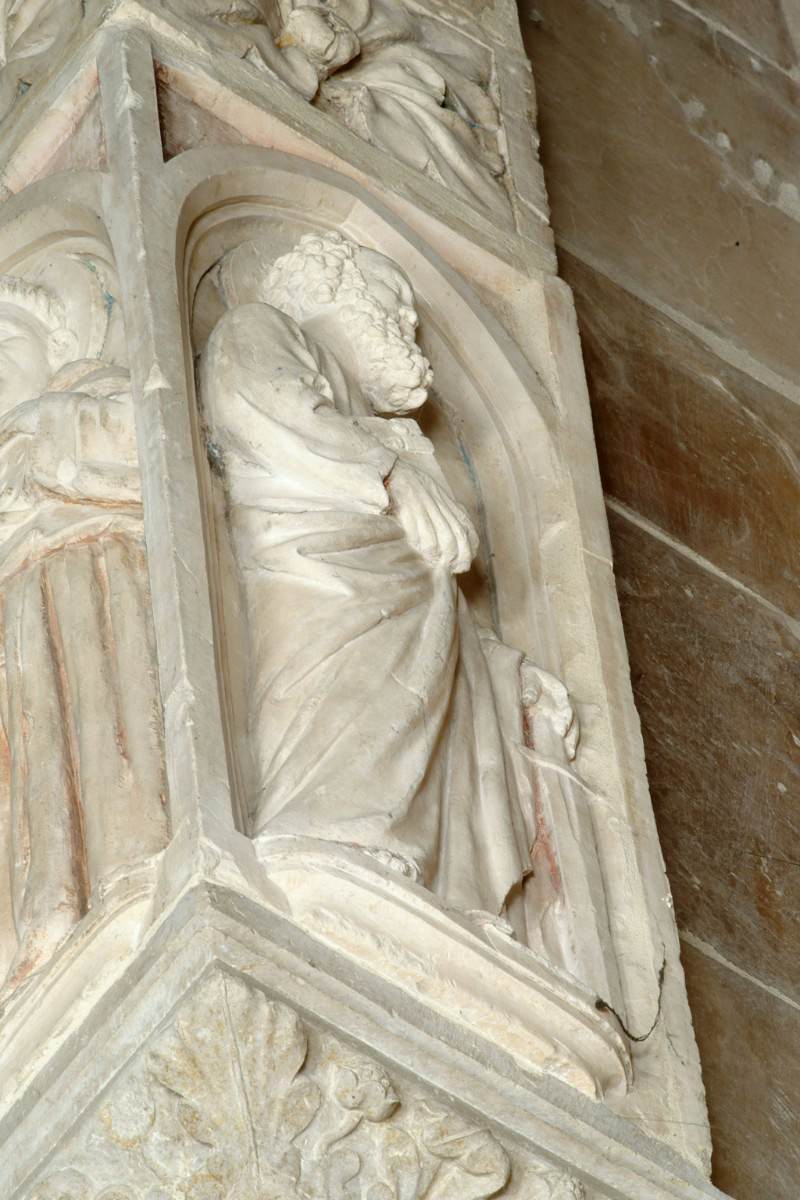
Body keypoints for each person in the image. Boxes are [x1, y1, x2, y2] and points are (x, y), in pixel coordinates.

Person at [199, 232, 534, 919]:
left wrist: (512, 681)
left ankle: (400, 864)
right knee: (331, 707)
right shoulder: (262, 328)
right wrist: (388, 472)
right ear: (330, 291)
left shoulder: (380, 426)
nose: (408, 327)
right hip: (320, 571)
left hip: (398, 601)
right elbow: (262, 406)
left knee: (399, 709)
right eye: (391, 303)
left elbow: (446, 605)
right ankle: (334, 843)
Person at [0, 260, 168, 996]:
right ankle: (44, 916)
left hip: (95, 574)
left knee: (110, 723)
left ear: (53, 346)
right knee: (36, 763)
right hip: (23, 613)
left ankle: (134, 869)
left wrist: (37, 436)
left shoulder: (88, 389)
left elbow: (152, 454)